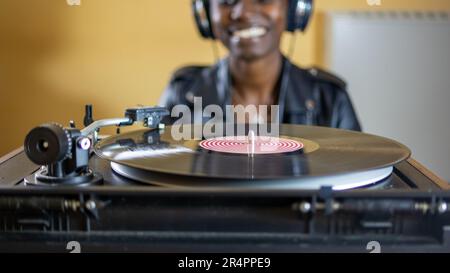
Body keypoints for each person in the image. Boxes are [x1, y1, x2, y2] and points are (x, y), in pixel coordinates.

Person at [159, 0, 361, 131]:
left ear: (293, 10)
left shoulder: (330, 99)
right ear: (205, 14)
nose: (243, 13)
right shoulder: (181, 93)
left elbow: (360, 192)